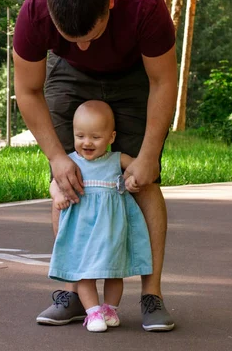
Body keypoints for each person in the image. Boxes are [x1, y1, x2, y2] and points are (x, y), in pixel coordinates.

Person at [13, 0, 177, 332]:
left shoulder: (143, 2)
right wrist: (56, 158)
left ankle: (152, 295)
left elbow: (164, 79)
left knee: (142, 181)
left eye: (91, 35)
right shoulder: (35, 11)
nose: (84, 46)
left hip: (136, 73)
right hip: (69, 75)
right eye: (72, 37)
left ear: (111, 6)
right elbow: (27, 90)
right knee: (69, 180)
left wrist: (148, 155)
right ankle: (75, 292)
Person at [48, 100, 152, 333]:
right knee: (84, 271)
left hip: (112, 230)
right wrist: (57, 196)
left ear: (111, 137)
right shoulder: (70, 162)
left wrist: (133, 179)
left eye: (95, 137)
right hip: (82, 228)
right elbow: (55, 184)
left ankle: (110, 309)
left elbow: (138, 169)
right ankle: (92, 312)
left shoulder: (117, 159)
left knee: (114, 271)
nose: (87, 142)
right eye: (80, 136)